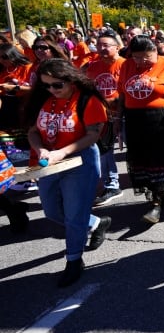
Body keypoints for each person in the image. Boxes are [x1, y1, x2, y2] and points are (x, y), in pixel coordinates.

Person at [24, 58, 111, 287]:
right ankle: (94, 223)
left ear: (71, 80)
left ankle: (73, 260)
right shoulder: (42, 100)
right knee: (51, 211)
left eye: (57, 85)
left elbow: (93, 135)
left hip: (79, 163)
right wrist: (40, 149)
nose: (51, 90)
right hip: (49, 162)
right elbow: (32, 131)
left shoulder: (87, 100)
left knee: (73, 216)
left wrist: (62, 152)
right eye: (46, 85)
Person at [116, 35, 164, 224]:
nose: (141, 62)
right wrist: (118, 118)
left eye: (146, 57)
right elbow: (122, 94)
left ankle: (157, 203)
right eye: (137, 57)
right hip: (134, 120)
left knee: (162, 159)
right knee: (142, 160)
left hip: (163, 120)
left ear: (155, 51)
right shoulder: (126, 66)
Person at [86, 30, 125, 205]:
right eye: (99, 45)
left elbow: (127, 92)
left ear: (117, 47)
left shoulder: (126, 65)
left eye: (106, 45)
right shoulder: (92, 66)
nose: (101, 48)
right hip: (101, 116)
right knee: (104, 150)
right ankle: (112, 184)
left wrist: (111, 101)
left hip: (125, 114)